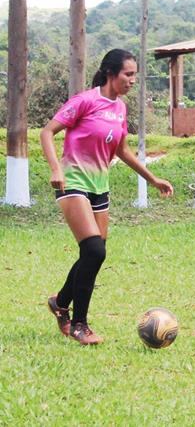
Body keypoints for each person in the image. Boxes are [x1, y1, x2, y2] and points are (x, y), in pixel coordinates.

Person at [40, 49, 174, 345]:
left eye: (134, 75)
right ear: (111, 73)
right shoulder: (85, 101)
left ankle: (60, 302)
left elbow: (122, 150)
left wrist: (152, 179)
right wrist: (55, 169)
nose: (132, 80)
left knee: (94, 252)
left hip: (100, 186)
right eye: (128, 74)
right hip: (73, 180)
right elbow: (47, 132)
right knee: (95, 252)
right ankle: (79, 325)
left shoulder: (120, 108)